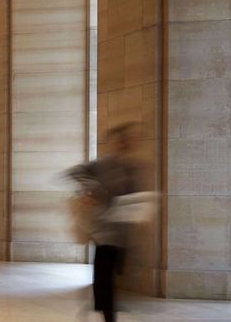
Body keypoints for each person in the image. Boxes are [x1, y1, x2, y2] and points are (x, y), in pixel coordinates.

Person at [66, 123, 144, 322]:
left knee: (111, 274)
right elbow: (75, 171)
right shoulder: (102, 164)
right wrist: (91, 189)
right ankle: (107, 313)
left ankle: (102, 306)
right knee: (105, 275)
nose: (128, 142)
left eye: (131, 139)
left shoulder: (132, 167)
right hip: (105, 230)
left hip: (122, 230)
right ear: (116, 141)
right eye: (124, 139)